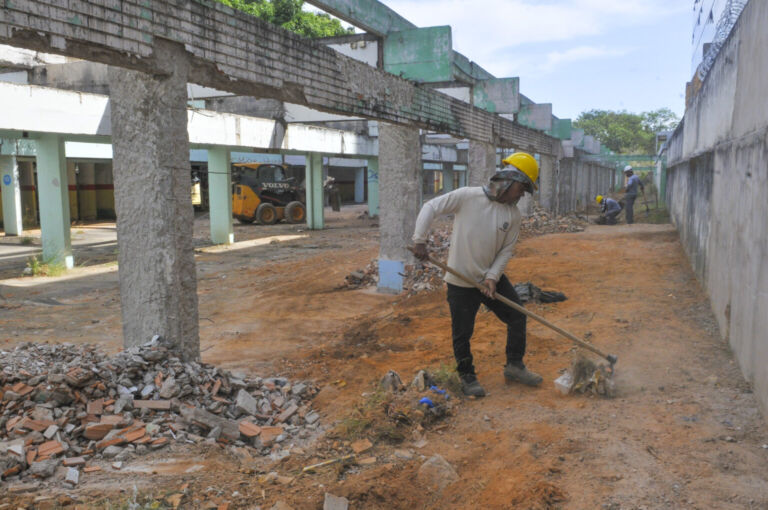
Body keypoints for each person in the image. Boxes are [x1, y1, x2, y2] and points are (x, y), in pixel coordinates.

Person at [412, 152, 543, 397]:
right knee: (463, 332)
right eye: (522, 189)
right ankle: (467, 376)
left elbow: (506, 250)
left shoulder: (513, 215)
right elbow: (431, 206)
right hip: (460, 280)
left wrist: (492, 277)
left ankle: (514, 365)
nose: (522, 195)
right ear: (509, 180)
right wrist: (419, 240)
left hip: (489, 280)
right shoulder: (467, 197)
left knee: (517, 316)